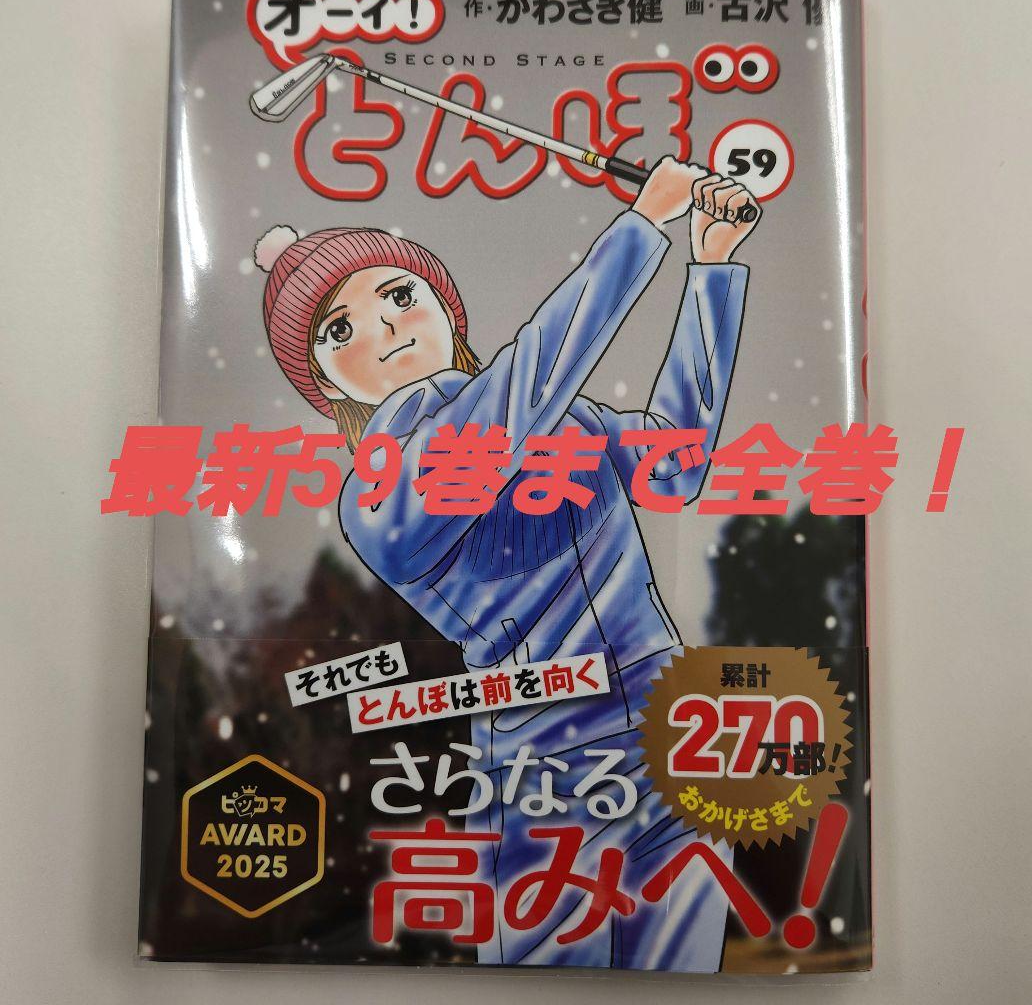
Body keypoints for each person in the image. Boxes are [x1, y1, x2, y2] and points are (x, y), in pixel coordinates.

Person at [257, 159, 761, 970]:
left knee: (686, 978)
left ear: (442, 306)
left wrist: (711, 269)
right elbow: (510, 406)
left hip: (675, 732)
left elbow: (674, 465)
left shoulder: (558, 417)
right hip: (548, 763)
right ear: (324, 381)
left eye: (399, 295)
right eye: (339, 331)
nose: (383, 328)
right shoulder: (377, 491)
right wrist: (639, 227)